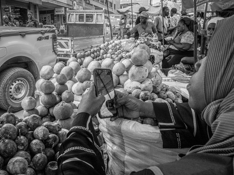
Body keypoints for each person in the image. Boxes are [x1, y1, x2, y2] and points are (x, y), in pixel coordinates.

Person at [58, 15, 234, 175]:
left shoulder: (215, 167)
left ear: (227, 75)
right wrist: (143, 108)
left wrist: (82, 119)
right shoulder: (223, 127)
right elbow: (200, 123)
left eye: (211, 56)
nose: (197, 63)